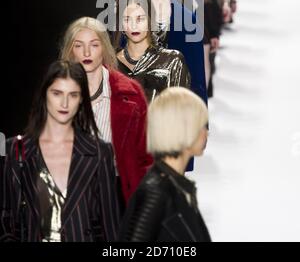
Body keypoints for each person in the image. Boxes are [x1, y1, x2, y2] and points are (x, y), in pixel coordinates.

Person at [0, 61, 120, 242]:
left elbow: (111, 227)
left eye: (73, 95)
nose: (64, 103)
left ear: (81, 99)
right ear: (44, 94)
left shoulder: (100, 153)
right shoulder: (16, 150)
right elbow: (6, 222)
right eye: (57, 93)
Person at [60, 17, 153, 205]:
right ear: (70, 51)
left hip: (118, 192)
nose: (87, 52)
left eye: (94, 45)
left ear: (104, 48)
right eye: (79, 46)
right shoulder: (57, 93)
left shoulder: (131, 93)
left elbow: (145, 155)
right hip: (72, 191)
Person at [119, 87, 211, 242]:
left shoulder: (175, 186)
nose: (206, 133)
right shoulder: (156, 193)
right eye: (201, 125)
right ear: (182, 129)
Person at [146, 0, 207, 105]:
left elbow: (197, 74)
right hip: (141, 100)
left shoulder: (188, 20)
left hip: (176, 101)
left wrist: (202, 123)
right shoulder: (134, 14)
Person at [117, 0, 191, 102]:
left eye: (140, 19)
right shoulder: (111, 63)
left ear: (150, 20)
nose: (133, 25)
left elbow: (181, 111)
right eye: (127, 19)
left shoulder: (172, 61)